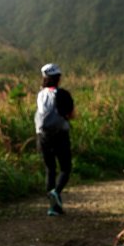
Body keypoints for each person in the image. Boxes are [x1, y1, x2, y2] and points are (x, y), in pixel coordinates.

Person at [34, 63, 75, 216]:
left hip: (43, 136)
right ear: (58, 78)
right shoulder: (63, 94)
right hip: (60, 135)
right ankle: (56, 192)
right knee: (65, 168)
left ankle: (53, 208)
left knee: (50, 169)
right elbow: (71, 115)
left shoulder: (40, 94)